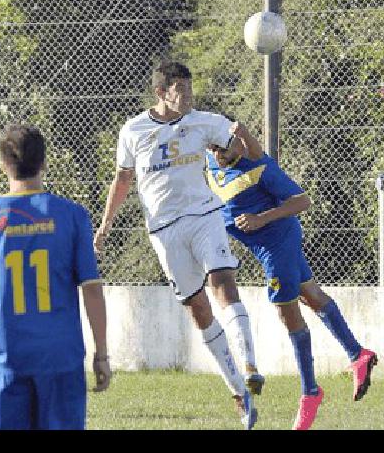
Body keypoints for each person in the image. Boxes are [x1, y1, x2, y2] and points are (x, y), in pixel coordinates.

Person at [93, 60, 260, 430]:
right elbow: (122, 181)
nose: (187, 97)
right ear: (161, 93)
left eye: (189, 90)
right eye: (179, 91)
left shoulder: (202, 120)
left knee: (223, 284)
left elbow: (237, 148)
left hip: (204, 216)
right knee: (198, 310)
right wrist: (105, 226)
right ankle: (238, 391)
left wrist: (231, 151)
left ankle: (250, 365)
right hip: (164, 231)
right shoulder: (133, 131)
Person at [0, 124, 110, 430]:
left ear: (3, 165)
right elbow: (92, 290)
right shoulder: (72, 215)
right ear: (44, 163)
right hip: (60, 356)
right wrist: (101, 354)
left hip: (9, 356)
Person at [206, 126, 378, 430]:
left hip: (276, 244)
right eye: (213, 147)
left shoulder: (259, 168)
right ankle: (358, 354)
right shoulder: (211, 163)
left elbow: (302, 202)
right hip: (268, 248)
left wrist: (261, 218)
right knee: (312, 295)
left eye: (224, 146)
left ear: (239, 144)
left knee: (288, 314)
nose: (218, 153)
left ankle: (310, 392)